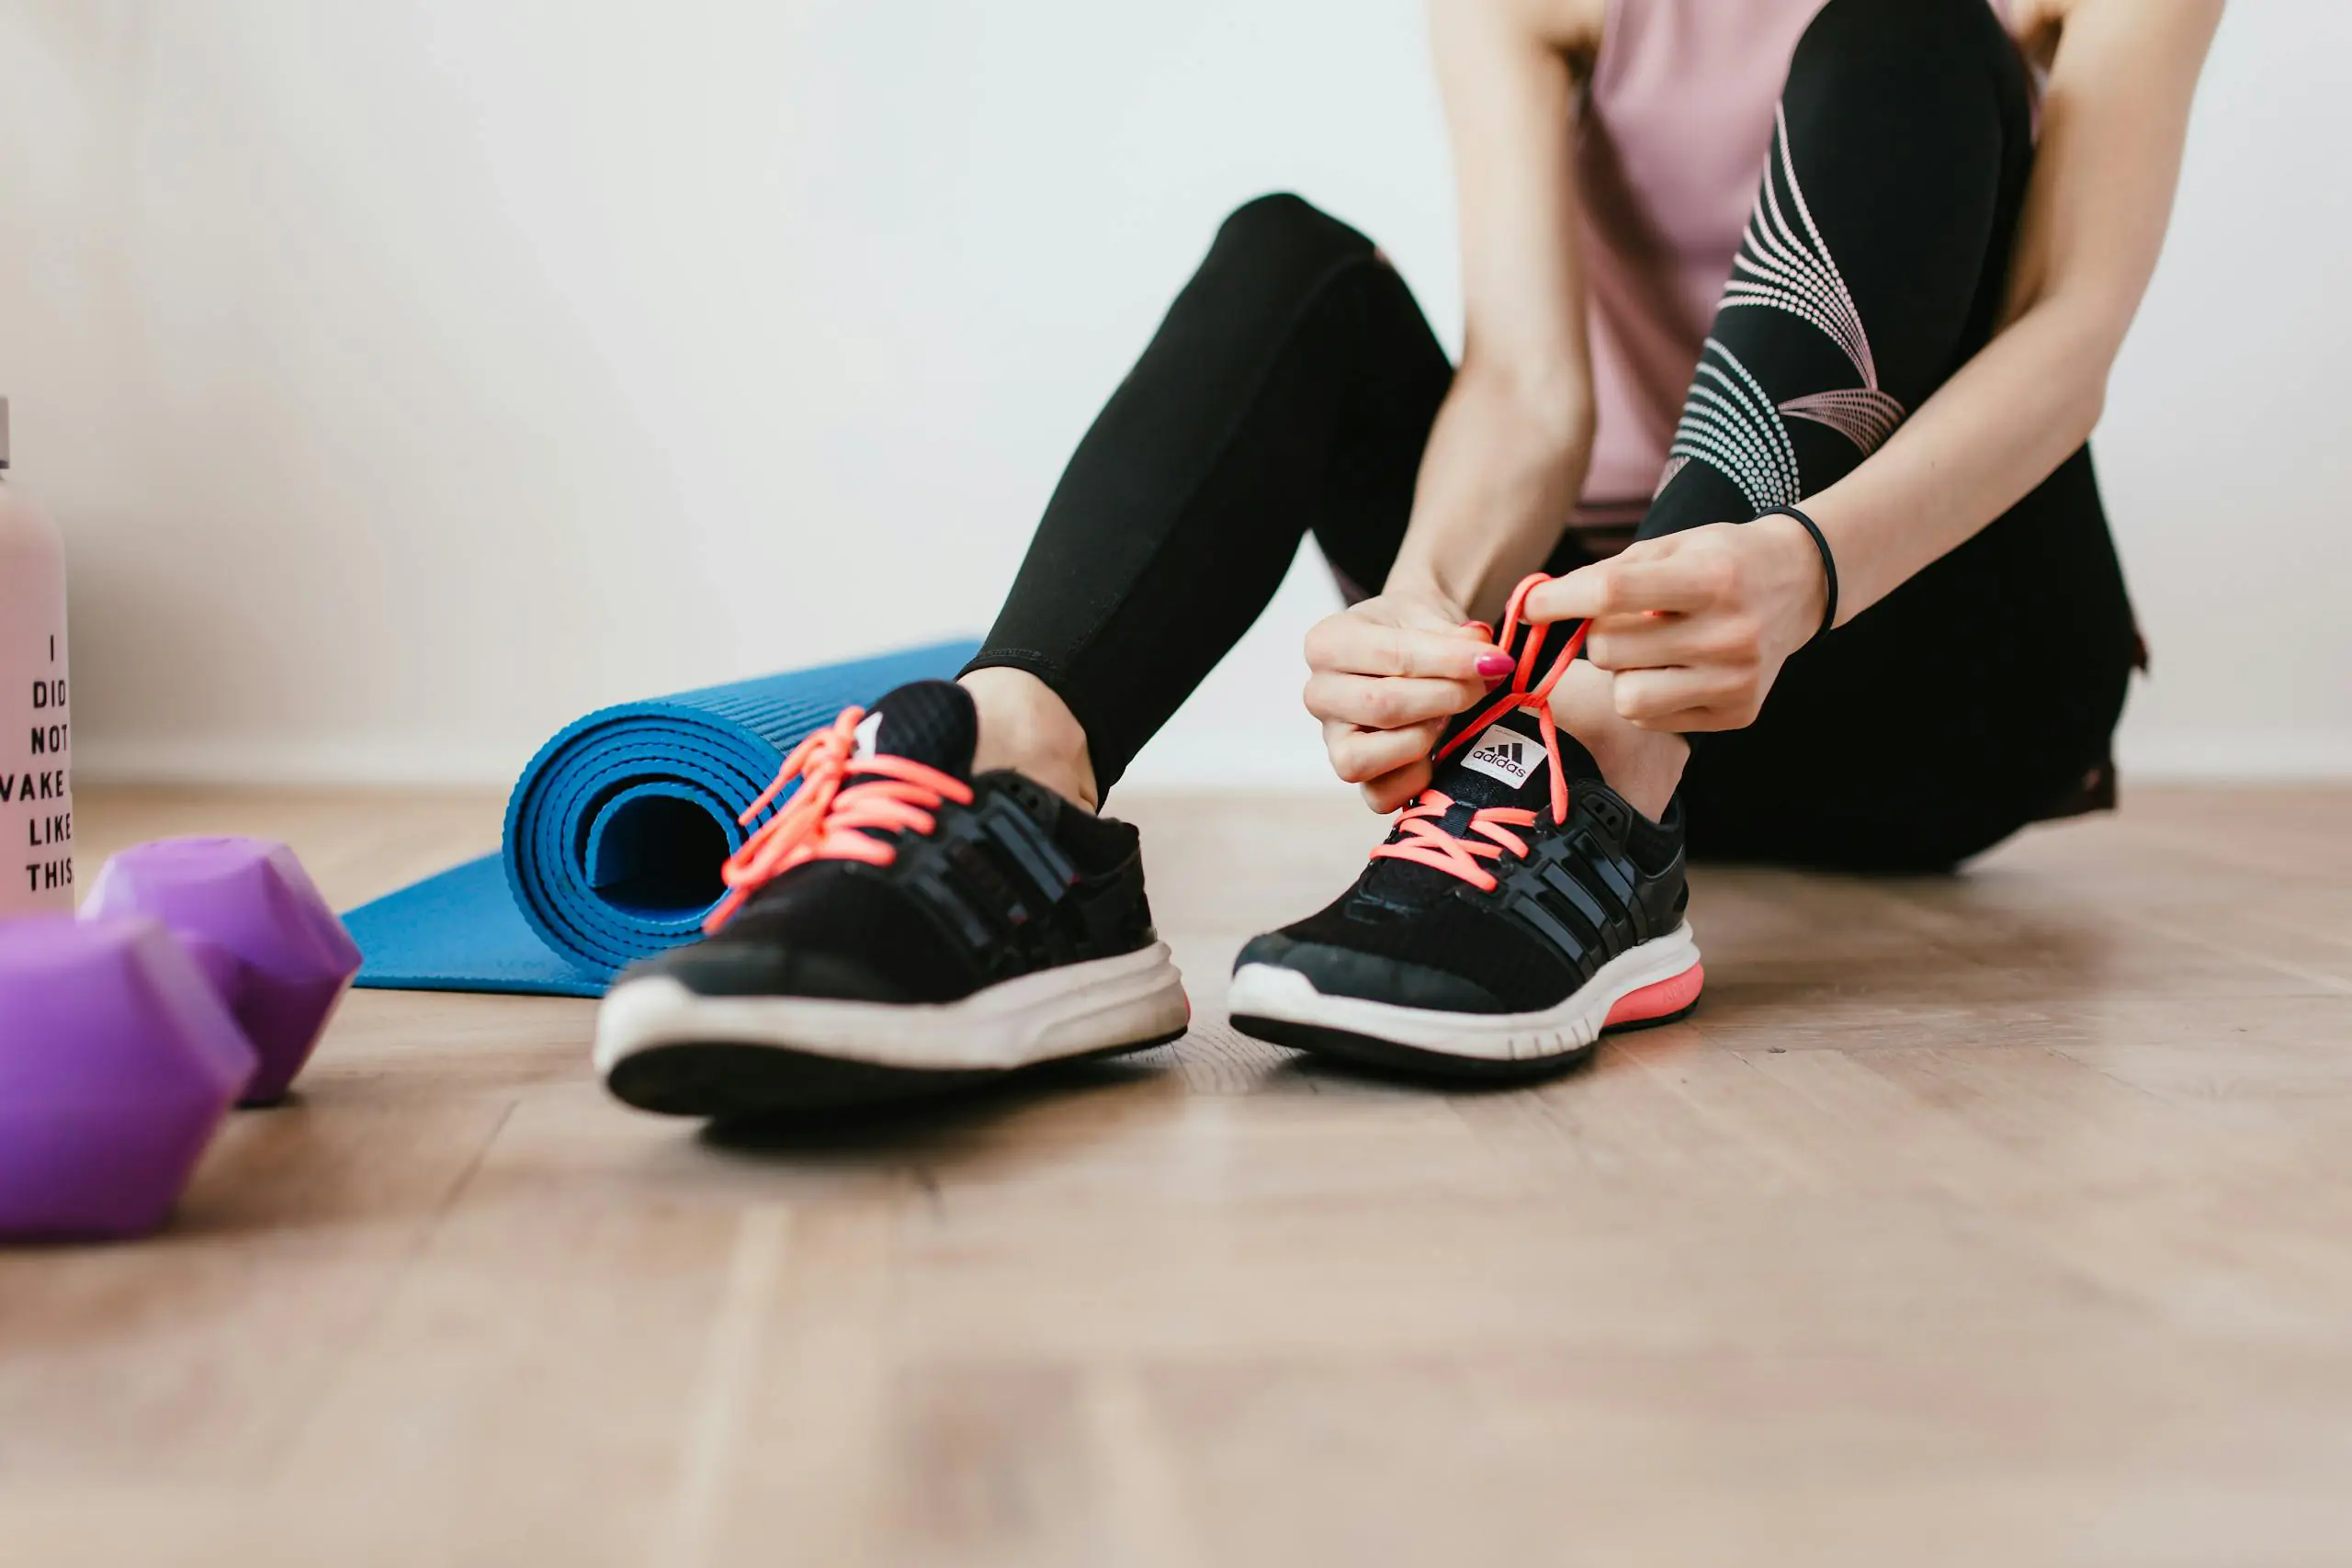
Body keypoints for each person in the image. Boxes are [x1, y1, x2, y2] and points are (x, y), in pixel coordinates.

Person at [592, 0, 2223, 1115]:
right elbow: (1526, 381)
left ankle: (1599, 776)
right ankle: (1018, 791)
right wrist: (1426, 602)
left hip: (1922, 647)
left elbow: (2068, 338)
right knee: (1289, 264)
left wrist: (1795, 563)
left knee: (1906, 24)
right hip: (1574, 639)